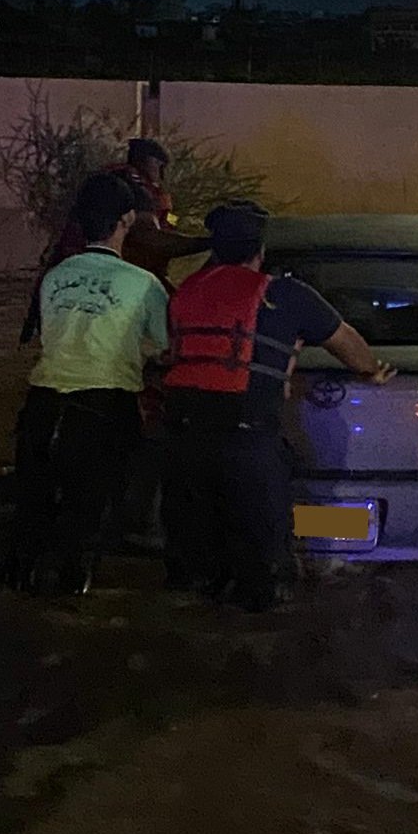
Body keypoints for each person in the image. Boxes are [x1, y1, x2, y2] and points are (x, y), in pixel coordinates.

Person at [161, 200, 394, 612]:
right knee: (265, 576)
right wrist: (372, 372)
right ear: (260, 250)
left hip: (182, 444)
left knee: (195, 574)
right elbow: (348, 344)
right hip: (247, 445)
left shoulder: (186, 292)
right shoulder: (284, 294)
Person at [3, 173, 170, 596]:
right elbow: (167, 350)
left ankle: (17, 598)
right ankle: (72, 604)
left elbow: (51, 338)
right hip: (103, 410)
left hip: (41, 406)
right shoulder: (145, 285)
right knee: (89, 519)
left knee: (31, 517)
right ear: (127, 219)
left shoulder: (56, 274)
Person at [19, 138, 209, 347]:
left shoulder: (115, 182)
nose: (162, 175)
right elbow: (151, 239)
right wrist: (206, 243)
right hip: (96, 264)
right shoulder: (130, 187)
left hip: (79, 266)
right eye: (159, 167)